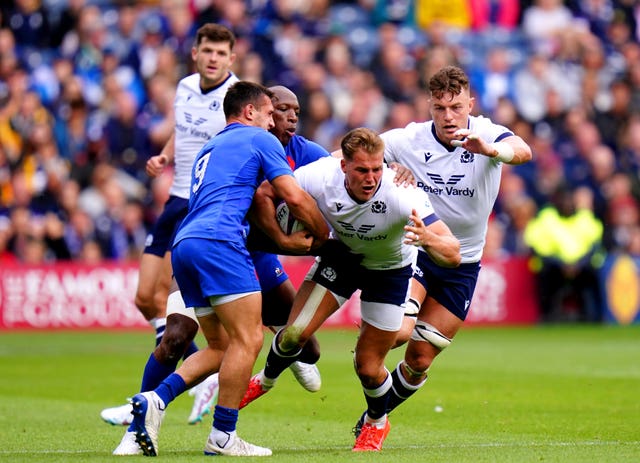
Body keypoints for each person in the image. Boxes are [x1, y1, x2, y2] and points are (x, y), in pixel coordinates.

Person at [103, 85, 329, 455]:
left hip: (186, 244)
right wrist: (322, 238)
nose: (274, 120)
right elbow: (293, 196)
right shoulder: (259, 139)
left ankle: (153, 401)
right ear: (251, 111)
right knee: (249, 338)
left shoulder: (210, 147)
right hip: (222, 243)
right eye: (270, 113)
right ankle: (223, 435)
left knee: (220, 346)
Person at [238, 127, 461, 452]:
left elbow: (453, 251)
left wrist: (428, 238)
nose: (370, 178)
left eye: (375, 169)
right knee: (292, 334)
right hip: (343, 259)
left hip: (389, 272)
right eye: (361, 170)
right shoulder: (319, 176)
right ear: (344, 166)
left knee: (368, 368)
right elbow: (264, 193)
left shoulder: (402, 194)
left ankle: (376, 422)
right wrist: (282, 239)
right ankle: (265, 380)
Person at [352, 65, 532, 436]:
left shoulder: (486, 133)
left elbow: (523, 150)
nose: (448, 117)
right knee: (399, 333)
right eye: (439, 108)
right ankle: (373, 376)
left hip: (463, 262)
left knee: (418, 359)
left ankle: (374, 418)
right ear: (429, 106)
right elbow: (360, 151)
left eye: (455, 107)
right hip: (418, 249)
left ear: (471, 103)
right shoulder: (410, 139)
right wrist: (390, 166)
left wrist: (492, 150)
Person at [103, 23, 240, 453]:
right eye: (208, 51)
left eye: (222, 52)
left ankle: (150, 400)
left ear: (231, 59)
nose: (214, 58)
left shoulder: (235, 99)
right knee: (146, 298)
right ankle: (204, 373)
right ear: (195, 53)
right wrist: (165, 152)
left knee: (177, 311)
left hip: (204, 206)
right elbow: (184, 130)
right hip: (174, 197)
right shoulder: (184, 88)